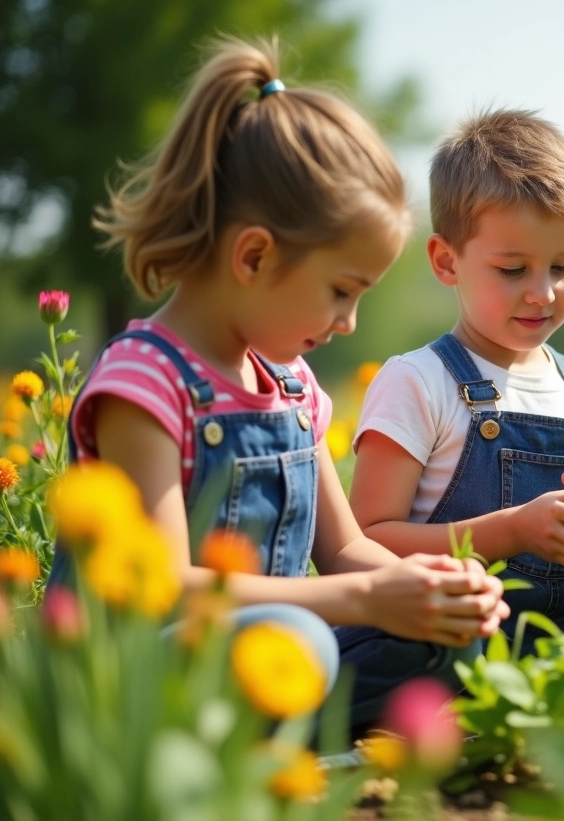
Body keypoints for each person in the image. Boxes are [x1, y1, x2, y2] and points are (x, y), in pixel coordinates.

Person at [47, 37, 507, 736]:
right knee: (296, 642)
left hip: (279, 645)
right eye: (340, 292)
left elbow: (346, 550)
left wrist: (424, 591)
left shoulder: (290, 384)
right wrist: (365, 597)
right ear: (255, 256)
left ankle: (300, 746)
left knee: (440, 636)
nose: (350, 323)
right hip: (141, 674)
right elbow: (162, 590)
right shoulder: (144, 382)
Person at [349, 109, 564, 654]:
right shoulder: (418, 381)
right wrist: (510, 532)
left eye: (563, 266)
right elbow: (366, 541)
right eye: (513, 270)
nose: (542, 293)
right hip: (441, 647)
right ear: (446, 261)